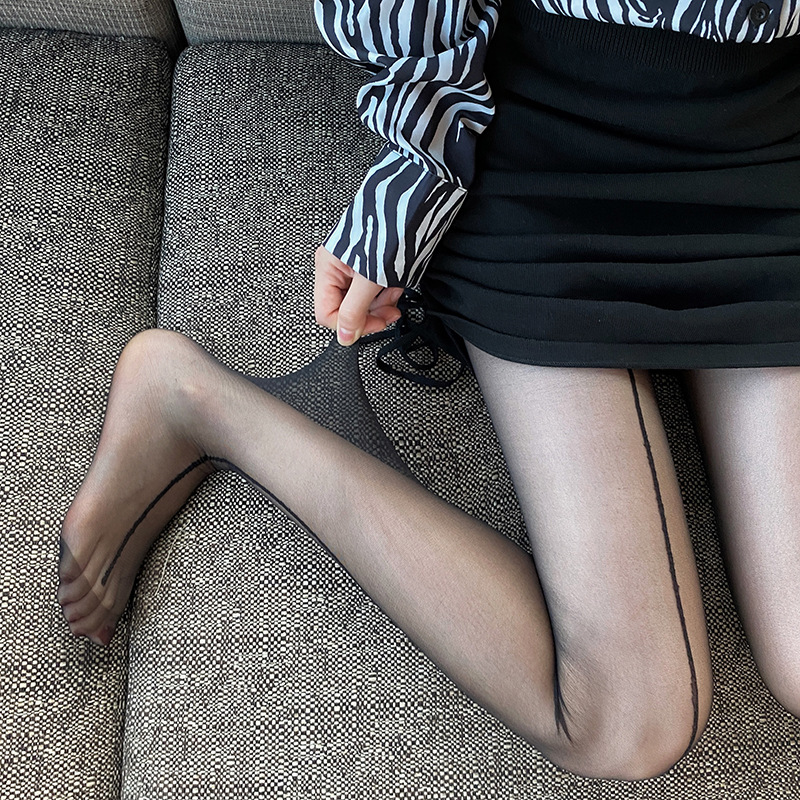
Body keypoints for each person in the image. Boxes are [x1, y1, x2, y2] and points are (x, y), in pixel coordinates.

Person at [57, 0, 800, 782]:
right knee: (629, 723)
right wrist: (412, 186)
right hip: (536, 139)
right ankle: (200, 403)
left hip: (768, 138)